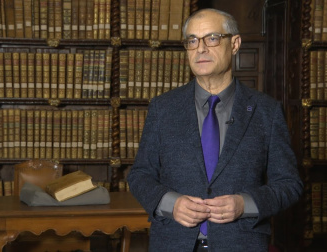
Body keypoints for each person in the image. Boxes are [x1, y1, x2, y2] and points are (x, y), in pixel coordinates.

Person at [127, 8, 303, 252]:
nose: (200, 49)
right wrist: (170, 203)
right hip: (172, 243)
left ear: (235, 44)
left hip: (242, 244)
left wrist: (245, 204)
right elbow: (139, 176)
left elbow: (289, 184)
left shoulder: (266, 111)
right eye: (192, 41)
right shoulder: (163, 108)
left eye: (212, 38)